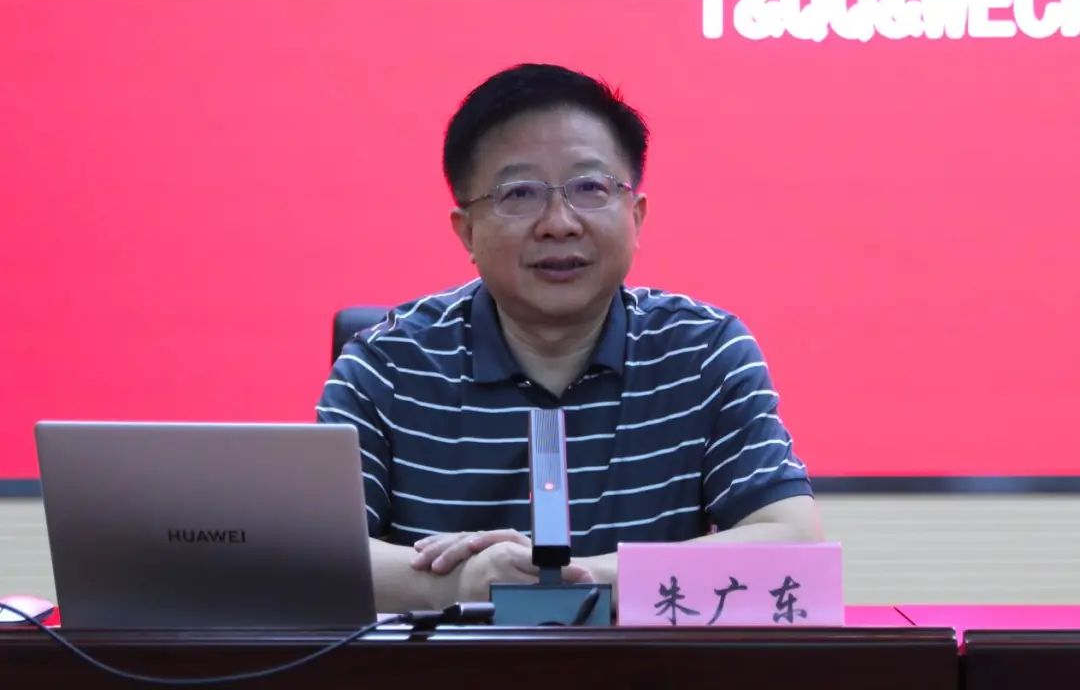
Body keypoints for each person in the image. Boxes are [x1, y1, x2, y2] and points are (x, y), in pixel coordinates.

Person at [316, 63, 823, 613]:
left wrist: (587, 578)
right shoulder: (387, 365)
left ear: (636, 216)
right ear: (467, 231)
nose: (559, 223)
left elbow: (796, 546)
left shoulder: (702, 351)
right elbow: (307, 558)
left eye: (589, 187)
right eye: (519, 193)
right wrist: (462, 584)